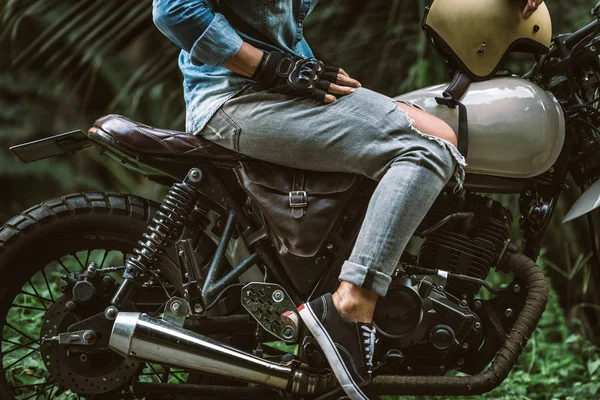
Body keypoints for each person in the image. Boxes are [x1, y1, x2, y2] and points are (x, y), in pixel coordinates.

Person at [152, 0, 546, 398]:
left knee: (434, 128)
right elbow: (173, 10)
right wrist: (272, 68)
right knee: (427, 148)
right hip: (241, 97)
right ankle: (351, 302)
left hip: (285, 87)